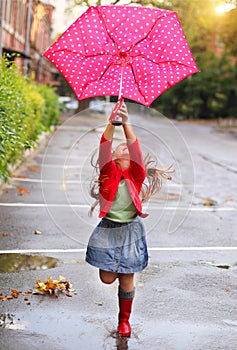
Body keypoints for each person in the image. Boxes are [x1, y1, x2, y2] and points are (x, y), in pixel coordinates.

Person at [86, 101, 173, 338]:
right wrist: (111, 123)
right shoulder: (108, 172)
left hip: (131, 231)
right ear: (113, 157)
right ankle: (114, 271)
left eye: (127, 148)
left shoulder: (136, 175)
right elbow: (104, 145)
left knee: (127, 278)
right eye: (120, 147)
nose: (125, 147)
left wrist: (126, 123)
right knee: (107, 278)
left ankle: (124, 322)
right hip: (108, 230)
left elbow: (135, 146)